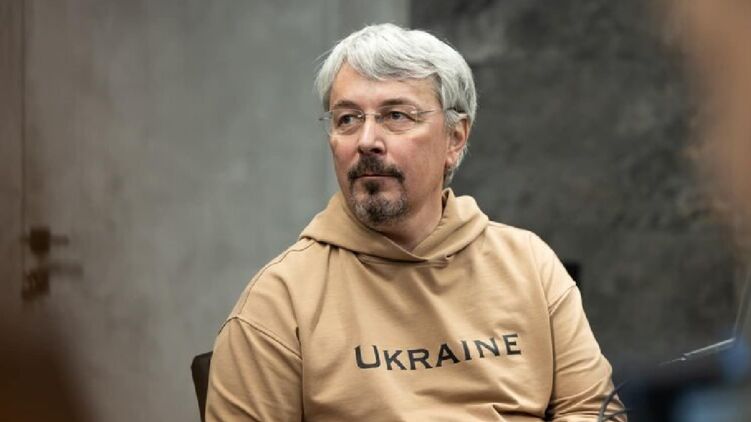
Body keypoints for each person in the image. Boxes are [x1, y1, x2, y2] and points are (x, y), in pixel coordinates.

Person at [206, 23, 625, 421]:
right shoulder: (279, 302)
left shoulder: (529, 265)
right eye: (347, 118)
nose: (367, 140)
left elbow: (594, 409)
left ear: (455, 137)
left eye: (396, 116)